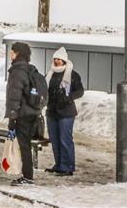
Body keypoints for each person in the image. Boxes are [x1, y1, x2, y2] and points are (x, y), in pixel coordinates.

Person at [5, 41, 42, 186]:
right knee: (25, 145)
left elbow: (15, 97)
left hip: (22, 115)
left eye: (12, 51)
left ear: (18, 54)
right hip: (32, 113)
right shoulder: (29, 69)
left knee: (23, 146)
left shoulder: (17, 71)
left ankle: (28, 177)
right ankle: (27, 175)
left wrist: (12, 117)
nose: (10, 54)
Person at [45, 47, 84, 177]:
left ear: (64, 61)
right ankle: (59, 164)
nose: (56, 61)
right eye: (55, 59)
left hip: (66, 112)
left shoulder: (72, 74)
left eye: (59, 59)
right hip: (52, 111)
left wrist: (69, 97)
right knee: (55, 139)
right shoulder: (50, 74)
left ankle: (67, 166)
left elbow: (80, 91)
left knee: (65, 139)